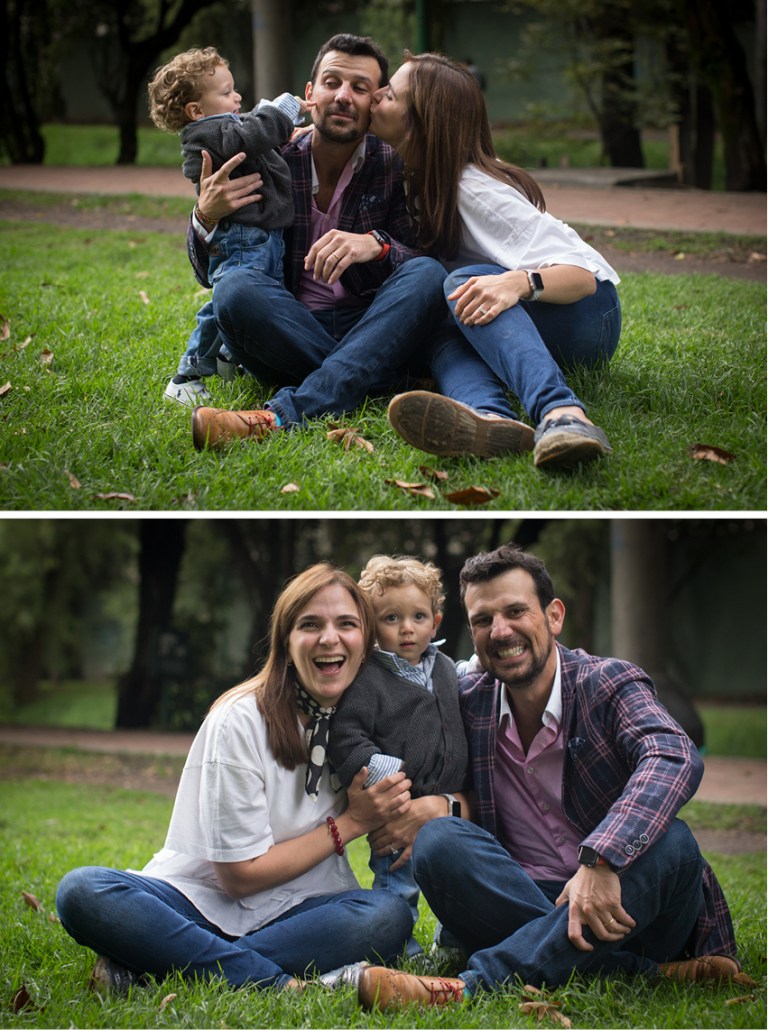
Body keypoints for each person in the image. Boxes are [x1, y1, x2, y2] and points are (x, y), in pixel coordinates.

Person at [357, 544, 750, 1011]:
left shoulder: (608, 682)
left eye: (516, 611)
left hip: (630, 902)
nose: (501, 631)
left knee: (676, 844)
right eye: (483, 620)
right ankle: (636, 972)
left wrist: (600, 860)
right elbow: (401, 725)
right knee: (440, 842)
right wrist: (445, 805)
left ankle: (468, 987)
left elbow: (673, 755)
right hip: (522, 895)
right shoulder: (466, 698)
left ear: (554, 616)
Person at [55, 563, 415, 995]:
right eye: (310, 624)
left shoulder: (370, 719)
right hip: (196, 905)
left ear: (366, 642)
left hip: (304, 911)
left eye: (346, 624)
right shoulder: (240, 719)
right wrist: (354, 823)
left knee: (387, 914)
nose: (329, 638)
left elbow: (434, 777)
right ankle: (276, 984)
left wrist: (427, 810)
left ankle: (155, 967)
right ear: (286, 640)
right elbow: (240, 875)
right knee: (82, 890)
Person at [184, 34, 449, 452]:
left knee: (428, 273)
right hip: (287, 326)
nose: (343, 96)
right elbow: (207, 274)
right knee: (234, 290)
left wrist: (375, 245)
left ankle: (278, 417)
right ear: (310, 94)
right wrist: (206, 215)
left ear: (375, 101)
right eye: (332, 82)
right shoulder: (268, 156)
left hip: (370, 322)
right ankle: (383, 381)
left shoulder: (392, 165)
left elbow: (418, 258)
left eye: (360, 88)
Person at [369, 53, 622, 470]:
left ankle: (563, 415)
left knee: (464, 284)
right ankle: (489, 420)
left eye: (389, 94)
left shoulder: (473, 190)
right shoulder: (415, 179)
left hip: (587, 314)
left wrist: (517, 284)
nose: (376, 96)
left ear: (421, 123)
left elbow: (582, 278)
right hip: (533, 318)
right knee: (443, 323)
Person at [147, 46, 307, 406]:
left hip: (262, 238)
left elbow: (255, 139)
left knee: (260, 301)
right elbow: (251, 134)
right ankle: (187, 374)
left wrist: (283, 132)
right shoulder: (210, 135)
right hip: (243, 241)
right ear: (196, 110)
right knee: (226, 304)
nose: (237, 97)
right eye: (226, 92)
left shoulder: (222, 128)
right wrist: (280, 111)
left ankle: (229, 357)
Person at [327, 555, 470, 956]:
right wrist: (387, 775)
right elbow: (347, 735)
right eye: (391, 619)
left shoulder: (443, 668)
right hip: (397, 807)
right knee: (398, 883)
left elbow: (466, 684)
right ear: (372, 626)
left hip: (446, 804)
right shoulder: (369, 678)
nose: (407, 629)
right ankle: (398, 947)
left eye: (418, 617)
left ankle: (455, 944)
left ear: (435, 622)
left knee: (456, 881)